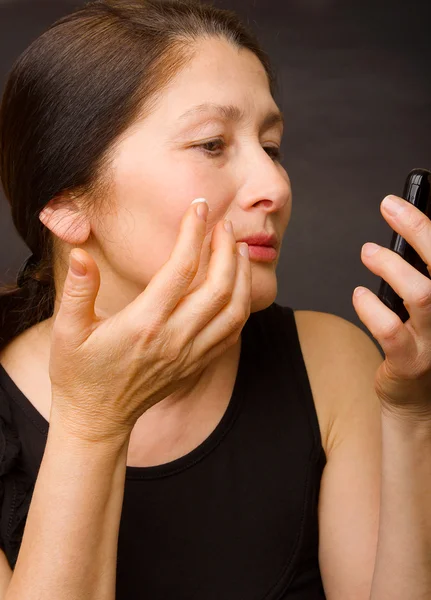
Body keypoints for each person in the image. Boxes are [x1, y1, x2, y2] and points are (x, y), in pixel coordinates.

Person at [1, 1, 431, 599]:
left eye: (272, 147)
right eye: (211, 144)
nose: (275, 188)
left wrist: (411, 414)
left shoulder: (331, 364)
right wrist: (93, 422)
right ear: (68, 201)